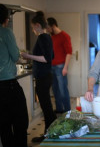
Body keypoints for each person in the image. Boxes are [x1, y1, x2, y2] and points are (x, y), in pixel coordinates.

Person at [21, 11, 57, 142]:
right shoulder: (47, 37)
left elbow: (46, 58)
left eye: (32, 27)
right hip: (46, 76)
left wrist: (28, 56)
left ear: (37, 25)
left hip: (43, 77)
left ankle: (48, 135)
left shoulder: (43, 37)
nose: (32, 30)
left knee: (46, 108)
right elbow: (51, 56)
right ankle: (51, 133)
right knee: (47, 107)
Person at [0, 4, 29, 147]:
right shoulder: (6, 32)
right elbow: (15, 55)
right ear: (5, 19)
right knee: (20, 122)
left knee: (3, 126)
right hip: (8, 85)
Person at [47, 17, 72, 113]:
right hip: (51, 67)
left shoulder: (65, 36)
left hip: (61, 67)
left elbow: (69, 53)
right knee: (55, 90)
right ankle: (59, 109)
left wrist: (65, 67)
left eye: (48, 27)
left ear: (53, 26)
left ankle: (67, 111)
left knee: (63, 91)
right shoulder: (50, 36)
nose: (47, 30)